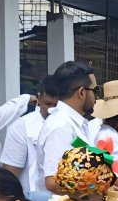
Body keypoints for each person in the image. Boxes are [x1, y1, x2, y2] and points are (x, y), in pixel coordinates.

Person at [42, 62, 99, 193]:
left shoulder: (75, 123)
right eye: (95, 90)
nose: (97, 97)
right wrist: (97, 187)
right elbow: (53, 181)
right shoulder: (60, 127)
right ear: (82, 92)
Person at [0, 76, 60, 195]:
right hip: (35, 200)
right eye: (48, 104)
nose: (52, 110)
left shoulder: (72, 125)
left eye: (57, 105)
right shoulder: (22, 126)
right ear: (39, 98)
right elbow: (10, 175)